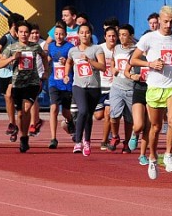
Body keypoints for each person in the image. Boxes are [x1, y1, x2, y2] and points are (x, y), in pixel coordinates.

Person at [129, 5, 172, 179]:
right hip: (155, 86)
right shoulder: (148, 38)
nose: (168, 25)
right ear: (159, 20)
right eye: (166, 21)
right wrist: (150, 64)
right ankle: (153, 158)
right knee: (155, 127)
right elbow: (133, 60)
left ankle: (168, 154)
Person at [0, 20, 50, 153]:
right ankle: (23, 136)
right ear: (17, 33)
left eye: (26, 32)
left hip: (32, 83)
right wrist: (12, 58)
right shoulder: (11, 48)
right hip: (17, 84)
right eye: (21, 32)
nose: (24, 34)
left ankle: (24, 137)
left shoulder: (35, 47)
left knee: (26, 109)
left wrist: (46, 71)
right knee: (20, 114)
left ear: (29, 33)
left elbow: (44, 57)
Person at [63, 22, 105, 156]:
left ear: (91, 34)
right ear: (78, 34)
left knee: (88, 115)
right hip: (78, 86)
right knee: (83, 111)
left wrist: (89, 60)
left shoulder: (96, 49)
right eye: (82, 33)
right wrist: (66, 74)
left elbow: (103, 67)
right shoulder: (73, 50)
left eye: (87, 32)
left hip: (94, 87)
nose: (84, 35)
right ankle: (78, 141)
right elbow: (69, 62)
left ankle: (87, 141)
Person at [0, 12, 24, 141]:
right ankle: (13, 125)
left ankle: (15, 125)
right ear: (14, 25)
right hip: (4, 73)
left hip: (17, 73)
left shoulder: (22, 38)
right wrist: (8, 57)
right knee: (8, 99)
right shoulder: (5, 38)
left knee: (10, 96)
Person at [108, 24, 137, 153]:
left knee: (129, 119)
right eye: (120, 35)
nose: (121, 37)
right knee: (114, 115)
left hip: (131, 88)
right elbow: (112, 61)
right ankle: (115, 136)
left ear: (131, 36)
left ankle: (127, 142)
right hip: (117, 86)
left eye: (124, 35)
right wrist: (113, 68)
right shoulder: (117, 48)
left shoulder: (137, 50)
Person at [46, 21, 75, 149]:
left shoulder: (70, 47)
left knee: (65, 111)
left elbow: (74, 62)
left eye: (61, 34)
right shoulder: (51, 46)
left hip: (66, 82)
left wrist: (67, 62)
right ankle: (53, 138)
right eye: (56, 34)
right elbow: (47, 59)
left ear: (65, 35)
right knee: (54, 108)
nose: (59, 36)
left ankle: (70, 121)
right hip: (54, 82)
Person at [96, 26, 118, 150]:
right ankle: (110, 129)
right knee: (99, 115)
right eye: (109, 36)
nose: (111, 38)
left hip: (113, 86)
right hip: (100, 85)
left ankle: (104, 141)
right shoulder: (99, 49)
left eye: (114, 36)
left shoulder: (119, 50)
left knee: (108, 113)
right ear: (105, 37)